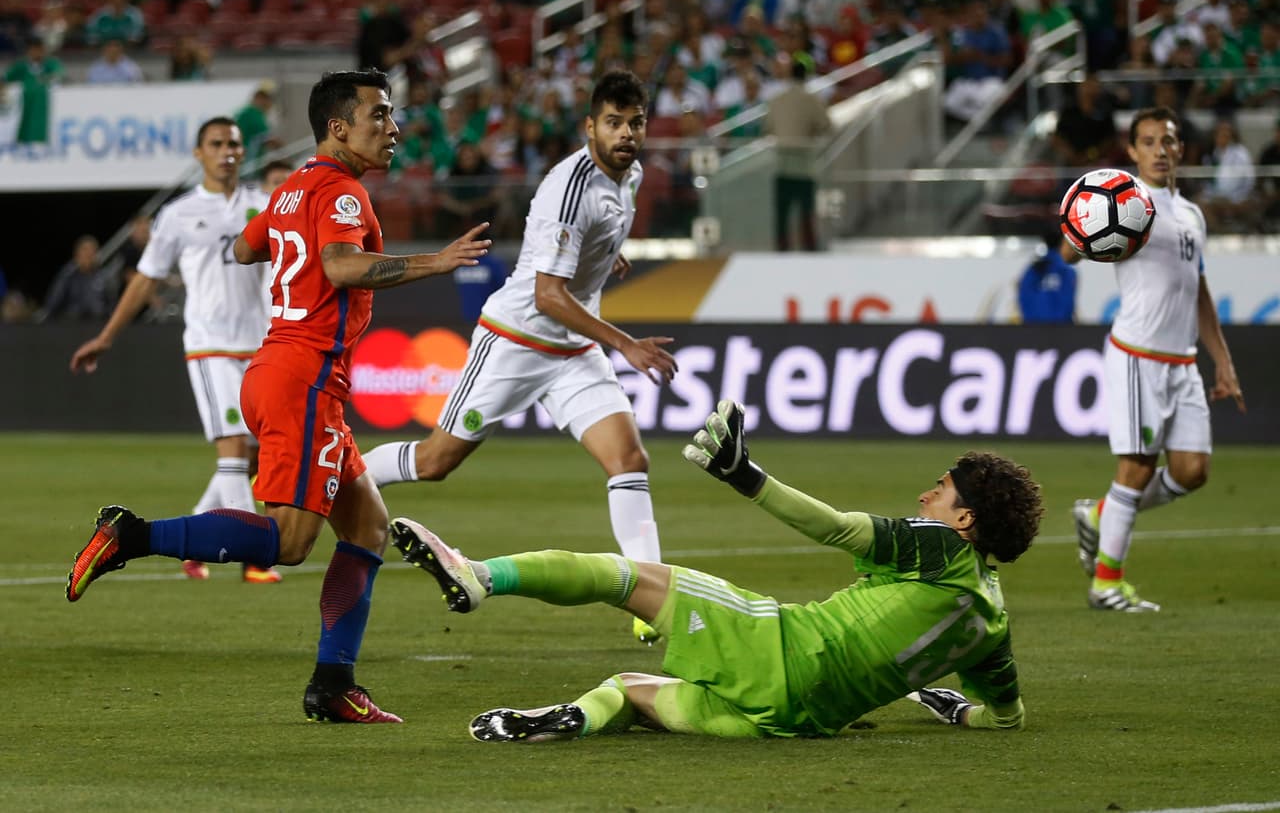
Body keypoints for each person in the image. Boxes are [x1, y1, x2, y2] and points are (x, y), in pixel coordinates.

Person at [65, 69, 492, 724]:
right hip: (304, 379)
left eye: (392, 114)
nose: (394, 128)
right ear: (338, 128)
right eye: (378, 115)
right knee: (291, 542)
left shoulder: (294, 187)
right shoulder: (343, 192)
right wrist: (434, 261)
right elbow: (342, 265)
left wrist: (284, 234)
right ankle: (132, 534)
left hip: (278, 368)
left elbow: (241, 247)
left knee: (369, 524)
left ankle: (332, 684)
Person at [388, 399, 1043, 742]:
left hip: (777, 648)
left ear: (966, 521)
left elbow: (838, 526)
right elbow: (1005, 719)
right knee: (627, 687)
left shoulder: (944, 548)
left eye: (942, 489)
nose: (927, 495)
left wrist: (747, 476)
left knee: (621, 574)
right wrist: (956, 707)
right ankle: (572, 720)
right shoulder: (994, 624)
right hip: (798, 721)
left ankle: (478, 575)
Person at [363, 70, 678, 646]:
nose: (626, 133)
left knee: (629, 461)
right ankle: (342, 477)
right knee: (435, 462)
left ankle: (653, 598)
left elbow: (583, 248)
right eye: (613, 122)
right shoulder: (572, 185)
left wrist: (608, 256)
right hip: (516, 339)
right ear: (590, 126)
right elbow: (546, 294)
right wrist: (625, 343)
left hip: (573, 350)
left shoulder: (628, 174)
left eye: (635, 122)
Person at [70, 117, 283, 585]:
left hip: (263, 345)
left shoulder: (262, 206)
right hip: (211, 346)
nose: (227, 151)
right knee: (232, 451)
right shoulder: (179, 214)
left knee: (250, 457)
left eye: (234, 144)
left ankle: (198, 535)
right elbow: (146, 279)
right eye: (217, 143)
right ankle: (254, 559)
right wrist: (107, 336)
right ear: (198, 154)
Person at [1064, 106, 1246, 613]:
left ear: (1181, 148)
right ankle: (1106, 583)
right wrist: (1080, 232)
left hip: (1183, 360)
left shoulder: (1191, 214)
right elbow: (1069, 249)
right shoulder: (1124, 201)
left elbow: (1199, 289)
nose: (1160, 150)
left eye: (1168, 140)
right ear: (1133, 151)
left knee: (1192, 471)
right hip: (1137, 355)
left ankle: (1100, 512)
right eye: (1148, 142)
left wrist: (1223, 362)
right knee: (1139, 466)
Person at [764, 52, 831, 251]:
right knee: (805, 212)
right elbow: (825, 124)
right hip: (804, 165)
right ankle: (808, 250)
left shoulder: (776, 99)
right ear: (806, 76)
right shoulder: (812, 99)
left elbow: (768, 127)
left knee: (782, 214)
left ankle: (781, 250)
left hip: (782, 163)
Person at [36, 235, 116, 322]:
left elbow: (112, 304)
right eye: (85, 250)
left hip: (98, 323)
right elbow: (53, 302)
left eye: (92, 251)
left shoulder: (105, 276)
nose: (88, 254)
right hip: (72, 324)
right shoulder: (68, 275)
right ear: (77, 254)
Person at [1018, 234, 1077, 324]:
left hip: (1033, 327)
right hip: (1061, 328)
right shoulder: (1066, 270)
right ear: (1061, 243)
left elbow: (1024, 295)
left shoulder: (1033, 269)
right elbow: (1068, 300)